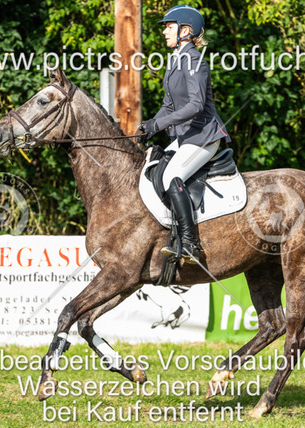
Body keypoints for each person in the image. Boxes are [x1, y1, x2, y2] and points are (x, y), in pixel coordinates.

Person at [138, 5, 230, 264]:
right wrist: (149, 126)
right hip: (184, 137)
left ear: (186, 31)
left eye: (169, 26)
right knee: (151, 169)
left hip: (203, 136)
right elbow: (169, 106)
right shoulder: (175, 60)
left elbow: (196, 105)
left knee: (171, 176)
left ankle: (190, 243)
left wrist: (159, 124)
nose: (164, 31)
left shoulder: (194, 61)